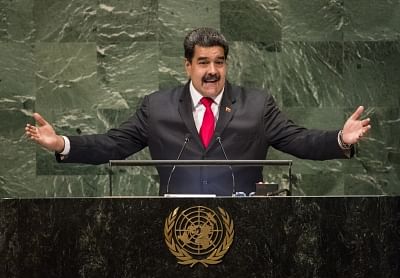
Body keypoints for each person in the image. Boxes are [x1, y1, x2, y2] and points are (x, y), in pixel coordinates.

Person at [25, 27, 371, 196]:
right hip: (173, 227)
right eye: (203, 62)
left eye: (219, 62)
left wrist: (340, 139)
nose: (212, 71)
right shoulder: (157, 106)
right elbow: (114, 145)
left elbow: (300, 141)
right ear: (187, 65)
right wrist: (62, 145)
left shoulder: (257, 105)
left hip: (245, 227)